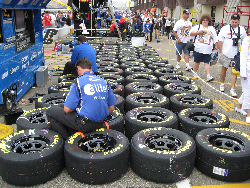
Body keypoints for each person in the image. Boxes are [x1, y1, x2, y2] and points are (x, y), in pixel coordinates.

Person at [46, 57, 116, 140]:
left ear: (78, 68)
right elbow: (112, 108)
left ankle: (67, 141)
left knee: (50, 112)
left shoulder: (78, 82)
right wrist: (97, 114)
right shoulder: (104, 82)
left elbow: (67, 109)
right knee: (61, 107)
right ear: (91, 69)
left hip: (84, 124)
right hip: (101, 122)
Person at [217, 13, 247, 97]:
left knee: (234, 71)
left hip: (236, 54)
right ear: (230, 20)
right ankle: (222, 83)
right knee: (224, 69)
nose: (234, 24)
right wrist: (221, 51)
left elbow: (245, 41)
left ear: (239, 21)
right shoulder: (225, 28)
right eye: (233, 22)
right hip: (226, 53)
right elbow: (220, 40)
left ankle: (232, 88)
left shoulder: (242, 29)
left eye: (236, 22)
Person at [190, 14, 218, 82]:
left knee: (207, 62)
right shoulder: (198, 27)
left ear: (209, 21)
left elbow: (215, 38)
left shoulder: (212, 28)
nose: (205, 21)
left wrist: (216, 45)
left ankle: (208, 75)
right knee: (197, 61)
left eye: (206, 20)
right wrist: (198, 32)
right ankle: (195, 73)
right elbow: (191, 33)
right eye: (204, 20)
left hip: (208, 49)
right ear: (201, 21)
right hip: (198, 48)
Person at [235, 35, 250, 123]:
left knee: (247, 90)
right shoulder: (247, 40)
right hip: (247, 70)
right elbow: (243, 57)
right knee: (248, 92)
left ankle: (239, 106)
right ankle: (248, 114)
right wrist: (243, 72)